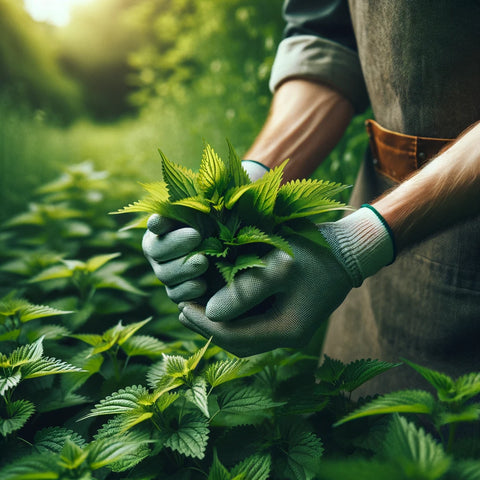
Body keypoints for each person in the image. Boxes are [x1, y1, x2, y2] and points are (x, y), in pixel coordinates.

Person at [142, 1, 480, 394]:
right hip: (376, 282)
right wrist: (253, 181)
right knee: (352, 422)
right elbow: (327, 37)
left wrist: (357, 244)